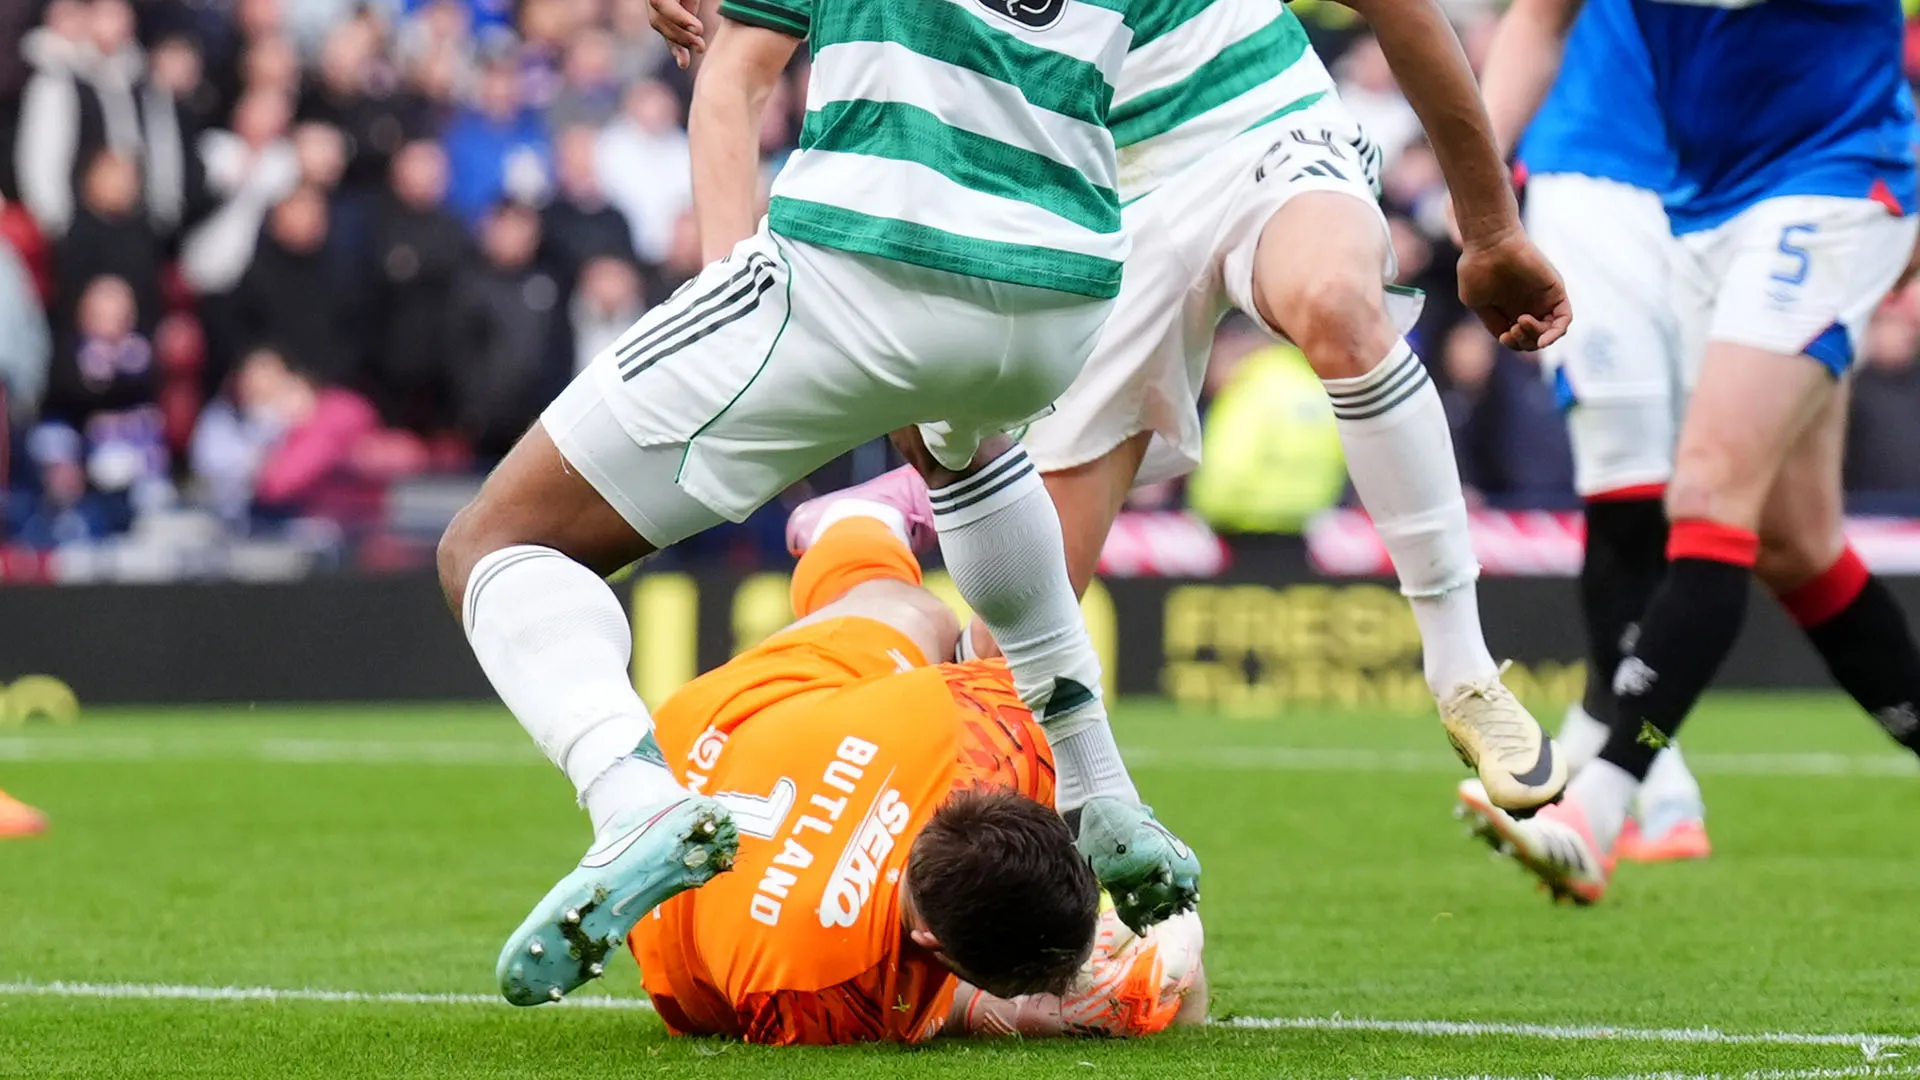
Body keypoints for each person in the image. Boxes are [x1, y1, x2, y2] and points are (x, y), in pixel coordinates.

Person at [437, 0, 1205, 1010]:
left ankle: (629, 802)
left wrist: (724, 310)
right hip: (1058, 297)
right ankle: (1099, 783)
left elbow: (736, 78)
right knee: (962, 449)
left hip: (862, 258)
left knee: (492, 541)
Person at [650, 0, 1578, 812]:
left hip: (1252, 111)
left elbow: (1403, 10)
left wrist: (1492, 230)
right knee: (1009, 662)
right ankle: (940, 866)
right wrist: (736, 299)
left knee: (1338, 305)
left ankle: (1463, 673)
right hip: (1079, 191)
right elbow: (738, 70)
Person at [1462, 0, 1920, 903]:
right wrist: (1472, 205)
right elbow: (1540, 20)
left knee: (1707, 493)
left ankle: (1598, 804)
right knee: (1795, 542)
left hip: (1835, 183)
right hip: (1703, 208)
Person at [625, 508, 1204, 1043]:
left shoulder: (1000, 740)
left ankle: (858, 528)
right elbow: (918, 1006)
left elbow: (1041, 669)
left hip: (694, 742)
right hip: (689, 797)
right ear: (929, 939)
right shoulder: (819, 986)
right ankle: (857, 521)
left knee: (916, 615)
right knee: (935, 621)